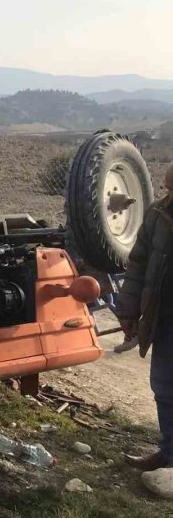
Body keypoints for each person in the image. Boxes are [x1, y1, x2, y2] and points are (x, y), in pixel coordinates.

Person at [119, 163, 173, 473]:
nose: (170, 196)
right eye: (168, 188)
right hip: (164, 319)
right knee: (165, 388)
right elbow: (137, 265)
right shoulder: (158, 214)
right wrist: (128, 310)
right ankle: (168, 454)